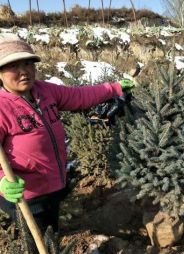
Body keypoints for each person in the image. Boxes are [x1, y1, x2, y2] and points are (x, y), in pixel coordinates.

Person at [0, 34, 134, 233]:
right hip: (26, 195)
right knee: (38, 244)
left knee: (51, 230)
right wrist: (2, 179)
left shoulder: (45, 91)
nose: (24, 72)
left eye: (28, 63)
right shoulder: (2, 107)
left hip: (53, 186)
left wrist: (114, 88)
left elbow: (80, 96)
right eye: (13, 66)